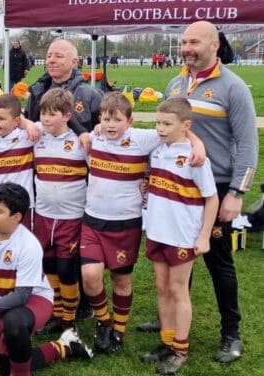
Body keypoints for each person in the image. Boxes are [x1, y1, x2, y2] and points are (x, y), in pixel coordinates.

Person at [141, 20, 258, 364]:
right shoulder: (177, 81)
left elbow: (249, 144)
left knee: (218, 261)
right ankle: (172, 324)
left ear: (214, 46)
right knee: (178, 262)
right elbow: (177, 127)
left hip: (216, 187)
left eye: (194, 42)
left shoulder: (234, 87)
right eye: (183, 42)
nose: (186, 48)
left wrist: (237, 191)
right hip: (175, 187)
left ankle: (230, 333)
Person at [81, 92, 205, 354]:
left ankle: (119, 331)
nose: (111, 125)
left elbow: (175, 132)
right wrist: (88, 133)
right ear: (99, 119)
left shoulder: (142, 139)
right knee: (90, 275)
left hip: (125, 224)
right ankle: (104, 322)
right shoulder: (94, 138)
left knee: (121, 281)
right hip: (92, 220)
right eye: (106, 119)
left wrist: (198, 144)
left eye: (117, 120)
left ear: (131, 121)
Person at [0, 182, 93, 376]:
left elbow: (22, 296)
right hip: (3, 302)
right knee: (9, 365)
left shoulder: (28, 244)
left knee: (13, 323)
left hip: (34, 300)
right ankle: (66, 346)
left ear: (16, 217)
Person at [141, 98, 219, 375]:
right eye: (158, 123)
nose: (160, 129)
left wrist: (205, 236)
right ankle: (167, 340)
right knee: (162, 287)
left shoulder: (196, 158)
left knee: (178, 289)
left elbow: (212, 199)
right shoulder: (158, 151)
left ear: (186, 126)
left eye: (166, 124)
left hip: (183, 236)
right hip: (158, 232)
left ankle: (181, 350)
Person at [32, 88, 88, 334]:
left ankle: (69, 319)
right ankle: (55, 313)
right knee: (48, 265)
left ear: (67, 116)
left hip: (71, 217)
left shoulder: (80, 142)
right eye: (43, 113)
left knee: (67, 268)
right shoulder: (36, 136)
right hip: (43, 215)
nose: (45, 119)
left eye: (52, 114)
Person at [26, 39, 102, 136]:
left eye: (59, 56)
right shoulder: (37, 92)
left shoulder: (91, 95)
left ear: (74, 62)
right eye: (49, 56)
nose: (51, 60)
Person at [0, 94, 37, 229]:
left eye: (1, 119)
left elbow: (52, 123)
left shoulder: (27, 136)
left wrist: (28, 124)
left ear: (16, 121)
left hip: (20, 207)